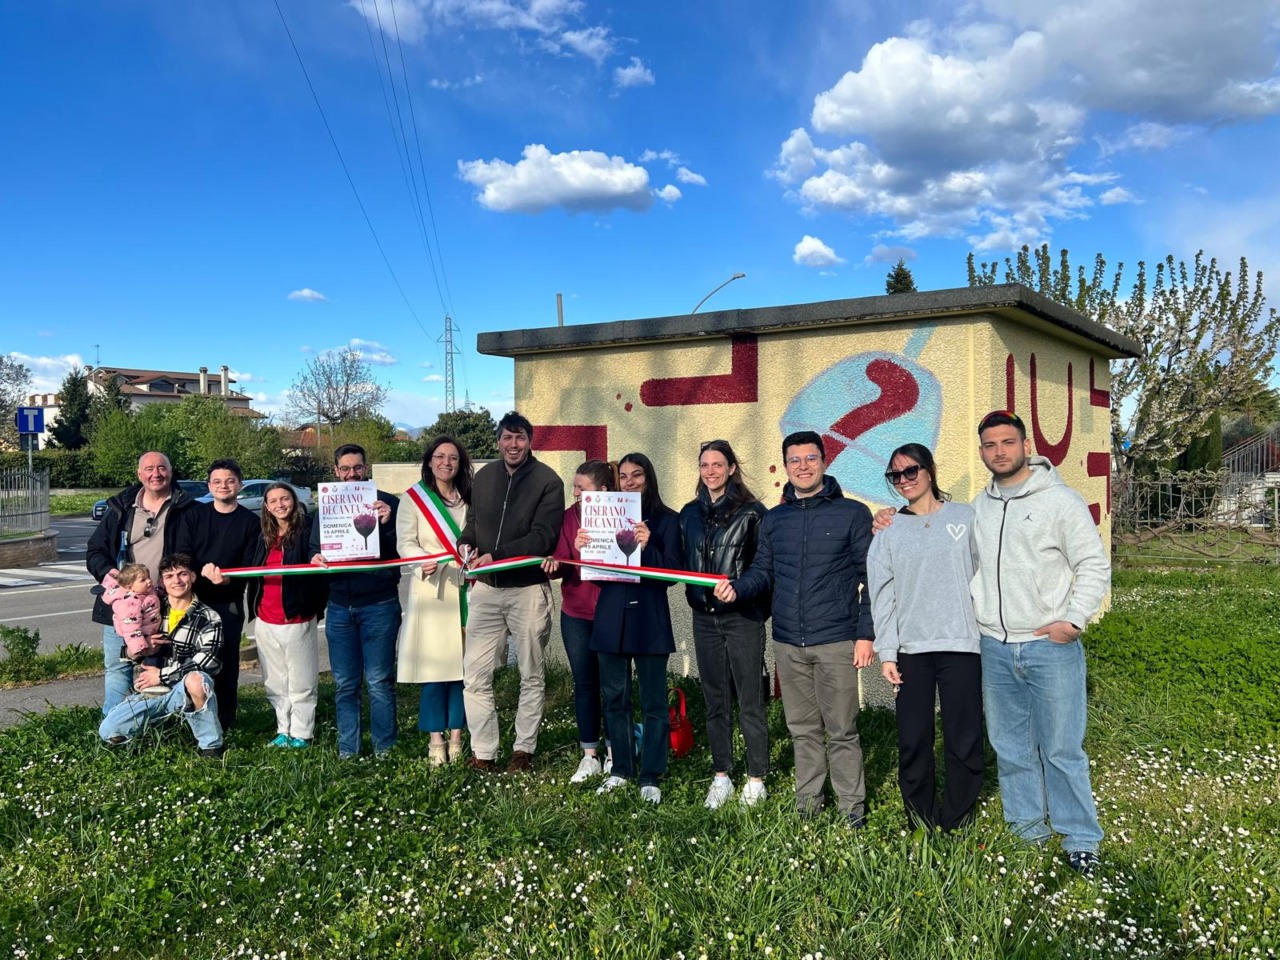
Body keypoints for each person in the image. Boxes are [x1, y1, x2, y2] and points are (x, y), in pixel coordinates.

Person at [876, 411, 1109, 875]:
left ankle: (1080, 838)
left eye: (1007, 442)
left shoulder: (1059, 501)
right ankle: (1027, 829)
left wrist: (1073, 620)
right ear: (981, 451)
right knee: (1011, 747)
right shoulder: (977, 509)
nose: (998, 451)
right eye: (989, 445)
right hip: (995, 647)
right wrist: (887, 517)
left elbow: (1093, 563)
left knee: (1061, 748)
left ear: (1026, 446)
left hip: (1048, 644)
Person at [714, 430, 875, 826]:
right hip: (788, 641)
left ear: (824, 461)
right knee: (802, 729)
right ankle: (808, 804)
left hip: (836, 639)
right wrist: (737, 588)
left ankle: (851, 808)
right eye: (794, 460)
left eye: (810, 458)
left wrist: (865, 634)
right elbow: (763, 571)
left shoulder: (852, 514)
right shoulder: (775, 519)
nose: (803, 466)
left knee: (842, 730)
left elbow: (870, 578)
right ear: (786, 466)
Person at [867, 443, 983, 831]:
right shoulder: (888, 530)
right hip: (911, 649)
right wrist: (887, 651)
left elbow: (985, 574)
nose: (903, 480)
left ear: (929, 471)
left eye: (910, 471)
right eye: (895, 475)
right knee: (914, 737)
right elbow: (882, 594)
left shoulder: (966, 517)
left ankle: (959, 817)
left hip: (962, 643)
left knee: (963, 735)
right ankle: (921, 818)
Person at [457, 412, 564, 773]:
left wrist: (498, 556)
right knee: (475, 675)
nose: (513, 445)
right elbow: (472, 523)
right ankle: (484, 751)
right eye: (507, 437)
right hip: (486, 589)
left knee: (530, 674)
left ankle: (523, 750)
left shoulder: (548, 481)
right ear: (498, 441)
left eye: (520, 438)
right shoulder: (484, 477)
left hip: (527, 590)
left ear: (530, 442)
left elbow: (544, 536)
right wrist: (464, 544)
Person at [678, 440, 770, 809]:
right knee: (715, 699)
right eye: (705, 465)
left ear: (732, 468)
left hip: (743, 619)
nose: (711, 471)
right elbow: (675, 561)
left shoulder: (753, 513)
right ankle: (722, 776)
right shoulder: (688, 514)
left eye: (718, 464)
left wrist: (743, 593)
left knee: (750, 699)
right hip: (704, 618)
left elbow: (765, 569)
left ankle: (756, 778)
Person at [208, 482, 326, 748]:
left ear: (294, 501)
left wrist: (317, 558)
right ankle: (283, 729)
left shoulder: (308, 530)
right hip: (264, 618)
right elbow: (245, 565)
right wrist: (222, 575)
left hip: (297, 616)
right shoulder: (262, 535)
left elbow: (315, 554)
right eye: (273, 501)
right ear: (266, 506)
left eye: (285, 499)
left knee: (302, 681)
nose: (280, 505)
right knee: (275, 680)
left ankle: (302, 733)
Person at [592, 453, 680, 804]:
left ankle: (651, 775)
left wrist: (648, 546)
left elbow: (671, 574)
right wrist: (587, 551)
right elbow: (599, 577)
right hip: (611, 619)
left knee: (654, 702)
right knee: (615, 700)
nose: (629, 482)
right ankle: (621, 769)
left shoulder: (668, 520)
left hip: (649, 620)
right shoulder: (605, 517)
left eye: (637, 475)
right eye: (624, 477)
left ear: (649, 478)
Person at [86, 451, 198, 715]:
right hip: (122, 607)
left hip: (167, 607)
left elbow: (199, 552)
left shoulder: (187, 509)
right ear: (139, 474)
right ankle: (114, 726)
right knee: (118, 667)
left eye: (161, 468)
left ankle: (156, 723)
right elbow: (95, 551)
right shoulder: (121, 508)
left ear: (170, 472)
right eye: (149, 469)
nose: (155, 474)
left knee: (158, 668)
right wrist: (113, 577)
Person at [310, 444, 402, 759]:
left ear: (366, 468)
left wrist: (389, 523)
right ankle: (348, 749)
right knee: (345, 683)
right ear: (336, 471)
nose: (352, 474)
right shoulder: (326, 507)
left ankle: (385, 748)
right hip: (339, 606)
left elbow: (405, 549)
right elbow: (313, 548)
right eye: (345, 469)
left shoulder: (388, 503)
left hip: (380, 603)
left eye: (358, 468)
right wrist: (316, 556)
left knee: (379, 680)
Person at [98, 553, 225, 757]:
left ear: (193, 577)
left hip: (182, 689)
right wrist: (140, 648)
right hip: (152, 691)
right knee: (108, 731)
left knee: (197, 681)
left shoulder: (208, 617)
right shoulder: (150, 608)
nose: (177, 581)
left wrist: (162, 675)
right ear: (162, 582)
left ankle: (210, 746)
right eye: (169, 576)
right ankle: (162, 729)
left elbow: (210, 662)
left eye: (182, 574)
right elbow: (127, 654)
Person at [397, 436, 473, 766]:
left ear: (460, 463)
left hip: (465, 589)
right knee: (434, 670)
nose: (446, 463)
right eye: (440, 457)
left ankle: (456, 736)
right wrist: (420, 560)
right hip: (432, 591)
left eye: (453, 458)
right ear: (429, 461)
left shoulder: (470, 496)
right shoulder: (413, 498)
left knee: (462, 671)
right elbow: (405, 542)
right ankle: (435, 738)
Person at [542, 459, 618, 783]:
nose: (574, 493)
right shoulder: (568, 517)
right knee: (585, 684)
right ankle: (590, 755)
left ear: (602, 490)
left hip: (613, 611)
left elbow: (630, 560)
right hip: (576, 613)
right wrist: (556, 562)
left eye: (580, 487)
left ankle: (616, 751)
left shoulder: (622, 513)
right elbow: (560, 562)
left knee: (614, 684)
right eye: (574, 487)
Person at [177, 458, 261, 730]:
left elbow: (251, 565)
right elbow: (183, 554)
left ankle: (225, 721)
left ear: (240, 485)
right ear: (209, 486)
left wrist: (228, 579)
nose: (223, 486)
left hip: (229, 602)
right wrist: (199, 571)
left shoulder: (251, 522)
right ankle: (192, 718)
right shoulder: (194, 516)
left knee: (226, 663)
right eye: (217, 481)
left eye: (230, 481)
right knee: (189, 660)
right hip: (194, 602)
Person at [100, 562, 166, 669]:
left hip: (150, 631)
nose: (149, 581)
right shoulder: (130, 603)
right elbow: (131, 627)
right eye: (143, 580)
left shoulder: (146, 591)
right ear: (129, 587)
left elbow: (156, 593)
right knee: (151, 665)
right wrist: (140, 647)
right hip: (141, 637)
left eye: (148, 577)